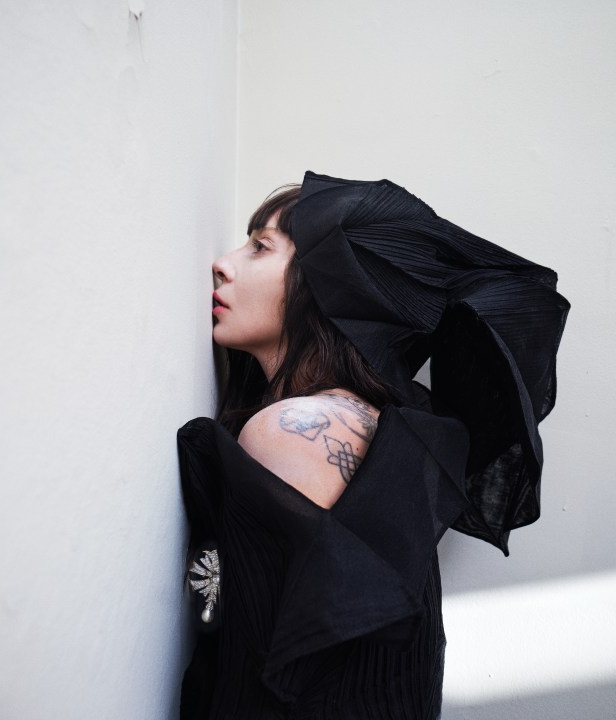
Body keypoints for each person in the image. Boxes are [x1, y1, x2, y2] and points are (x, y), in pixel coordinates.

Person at [178, 172, 569, 719]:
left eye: (260, 247)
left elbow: (268, 671)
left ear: (325, 286)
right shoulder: (386, 422)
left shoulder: (292, 431)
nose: (224, 262)